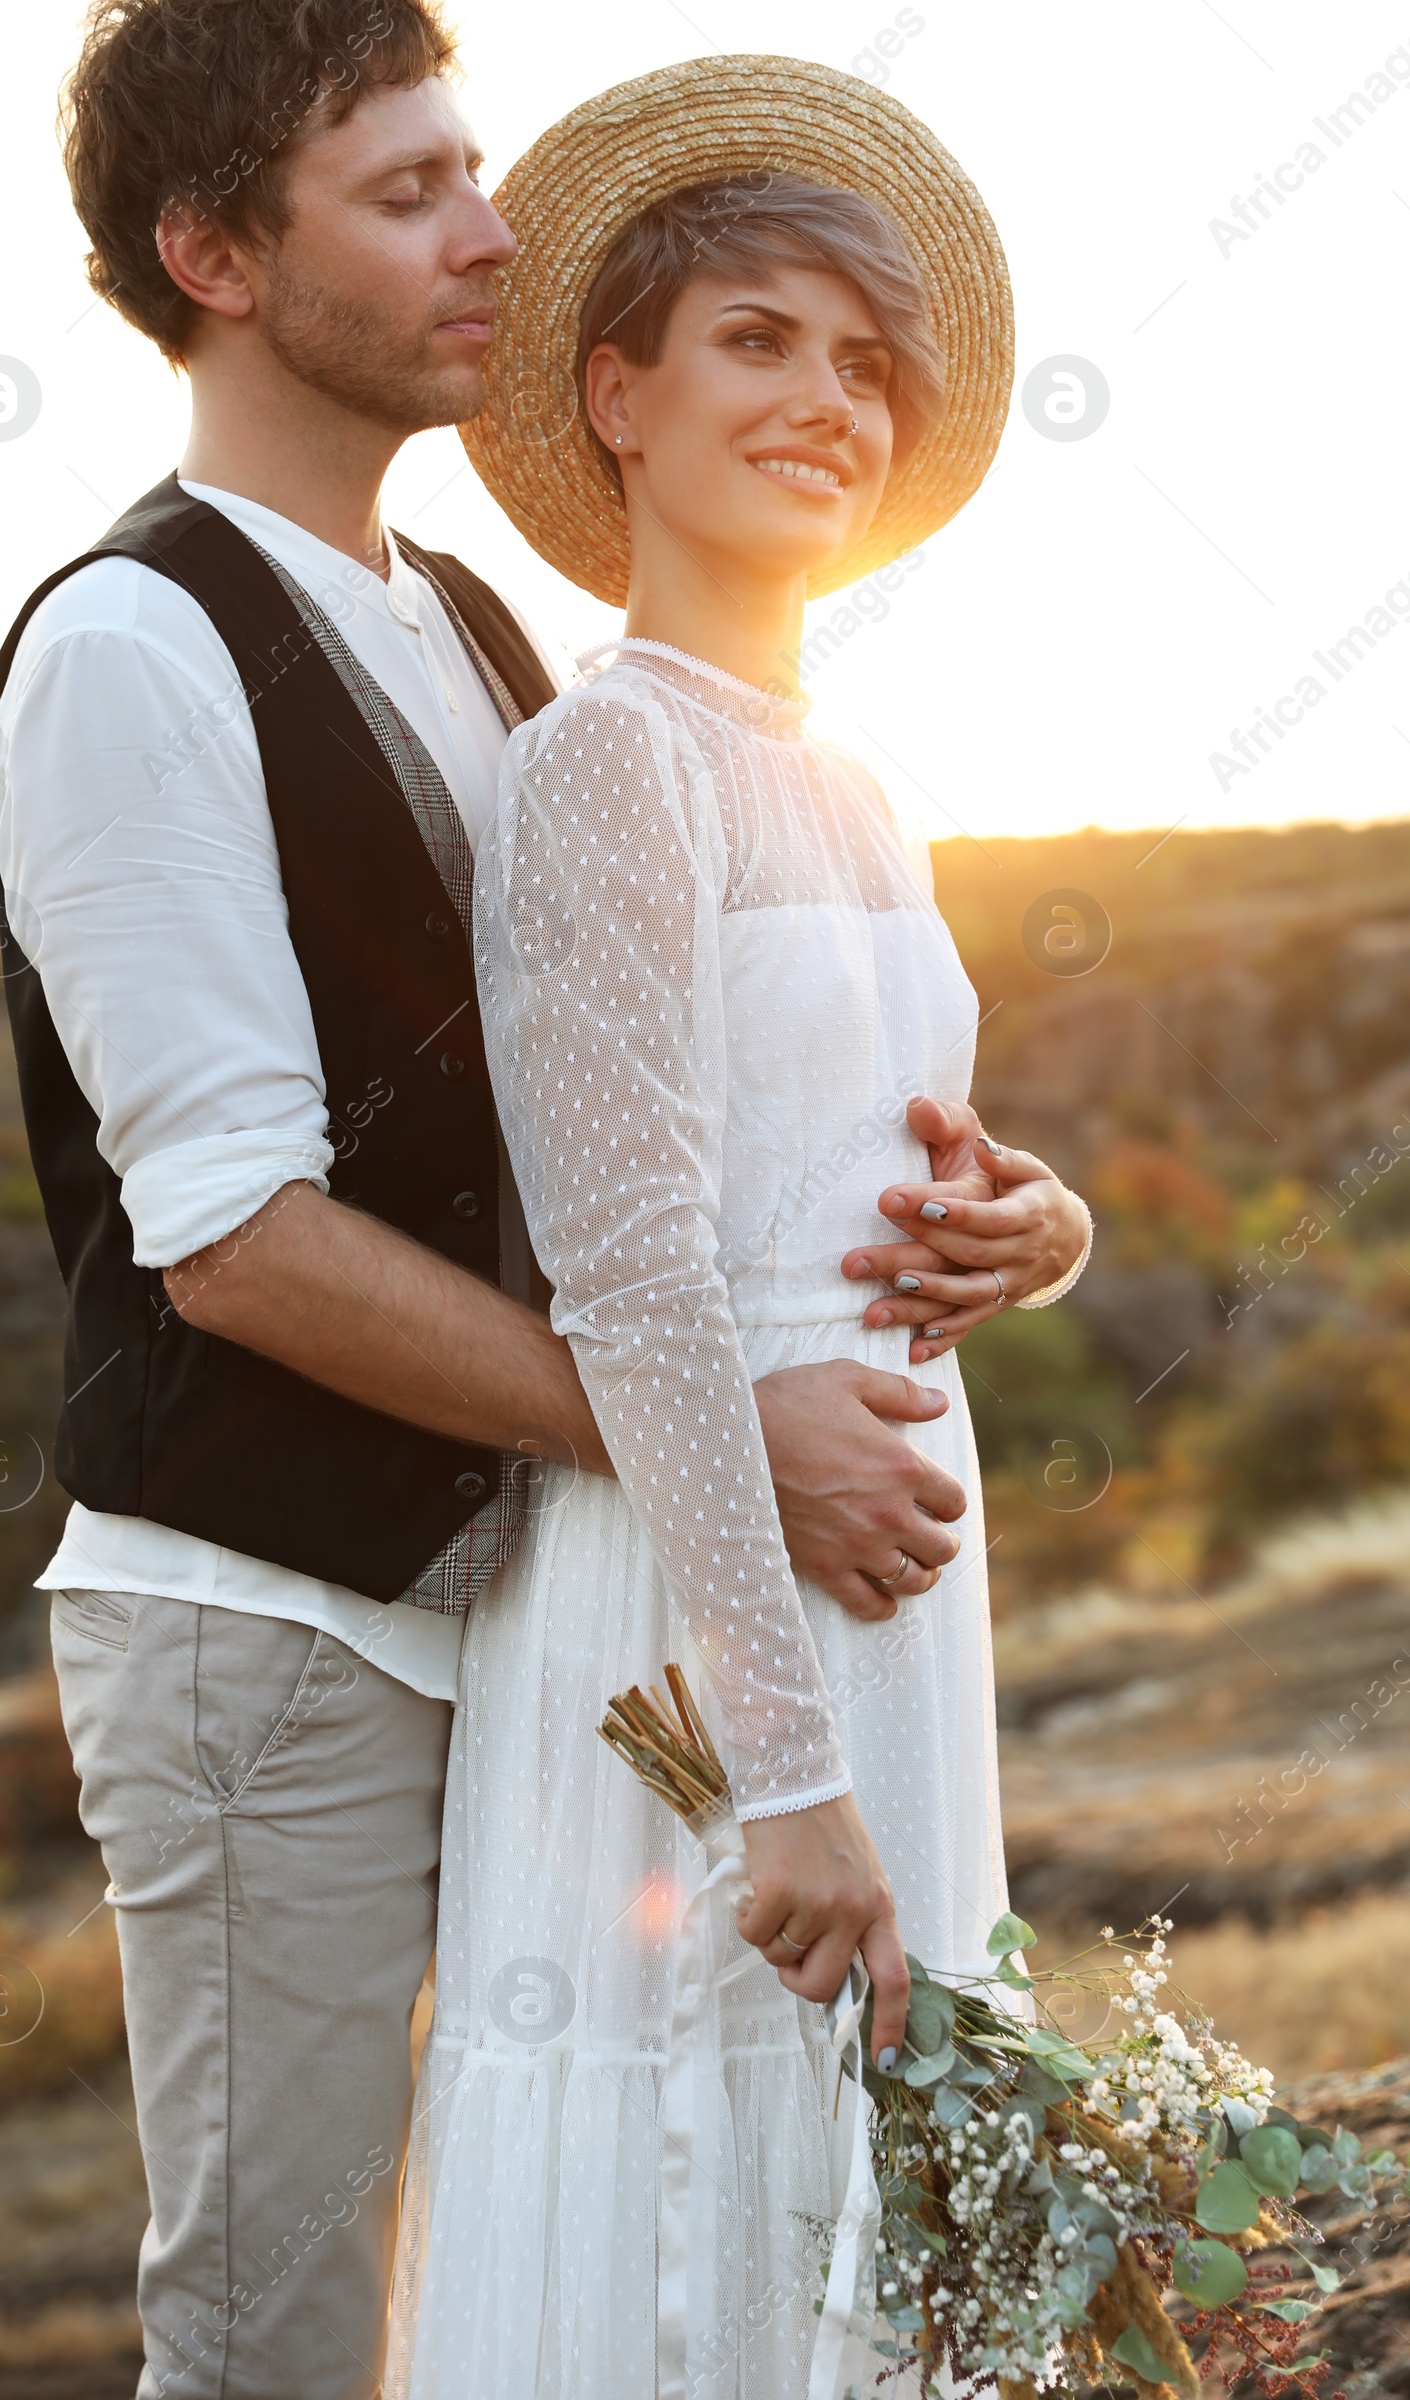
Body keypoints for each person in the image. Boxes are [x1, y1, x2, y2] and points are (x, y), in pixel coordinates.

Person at [0, 11, 1087, 2398]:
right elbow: (234, 1240)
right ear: (209, 257)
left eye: (468, 170)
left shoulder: (473, 634)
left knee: (532, 2232)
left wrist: (1000, 1217)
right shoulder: (125, 646)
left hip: (519, 1592)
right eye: (402, 194)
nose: (485, 232)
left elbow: (646, 1102)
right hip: (264, 1627)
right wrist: (721, 1428)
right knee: (278, 2314)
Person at [383, 57, 1091, 2400]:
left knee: (862, 2165)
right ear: (615, 392)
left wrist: (1039, 1228)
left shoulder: (864, 776)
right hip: (702, 1603)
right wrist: (778, 1776)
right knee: (691, 2164)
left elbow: (885, 1163)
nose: (828, 399)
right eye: (758, 341)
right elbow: (642, 1275)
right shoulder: (614, 758)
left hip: (893, 1595)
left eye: (861, 362)